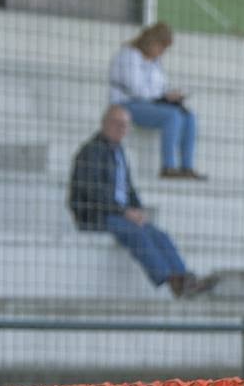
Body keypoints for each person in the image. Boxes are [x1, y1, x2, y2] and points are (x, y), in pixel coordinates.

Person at [69, 106, 218, 298]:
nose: (123, 129)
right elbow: (93, 192)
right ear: (106, 123)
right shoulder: (92, 152)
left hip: (118, 213)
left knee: (158, 234)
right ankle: (169, 279)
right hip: (96, 215)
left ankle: (184, 279)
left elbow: (128, 188)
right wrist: (124, 212)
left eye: (126, 125)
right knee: (137, 233)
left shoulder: (118, 152)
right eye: (118, 124)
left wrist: (137, 210)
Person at [108, 21, 205, 180]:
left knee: (189, 116)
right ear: (151, 42)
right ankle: (168, 166)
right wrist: (161, 97)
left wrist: (171, 95)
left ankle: (186, 166)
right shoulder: (128, 55)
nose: (161, 52)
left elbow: (160, 87)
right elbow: (136, 89)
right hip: (127, 105)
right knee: (172, 116)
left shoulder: (154, 62)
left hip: (151, 104)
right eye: (161, 47)